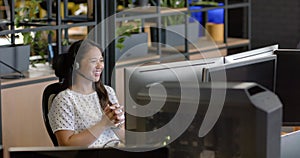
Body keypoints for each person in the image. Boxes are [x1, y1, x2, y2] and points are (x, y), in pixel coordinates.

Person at [48, 39, 125, 148]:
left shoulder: (108, 91)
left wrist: (116, 123)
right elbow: (66, 145)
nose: (100, 66)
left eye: (101, 60)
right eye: (93, 61)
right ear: (77, 65)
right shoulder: (64, 99)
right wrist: (103, 124)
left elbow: (122, 136)